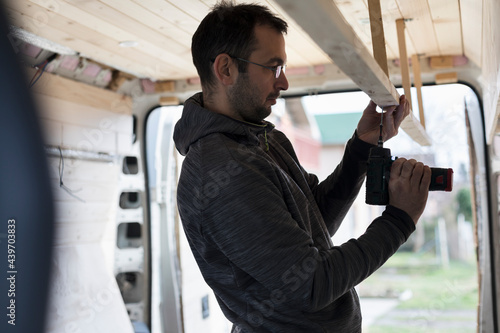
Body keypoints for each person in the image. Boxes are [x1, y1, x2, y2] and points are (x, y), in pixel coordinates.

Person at [173, 2, 431, 332]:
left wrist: (361, 148)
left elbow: (318, 219)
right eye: (272, 67)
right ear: (225, 69)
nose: (283, 84)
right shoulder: (221, 169)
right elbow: (310, 285)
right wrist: (399, 220)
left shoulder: (267, 140)